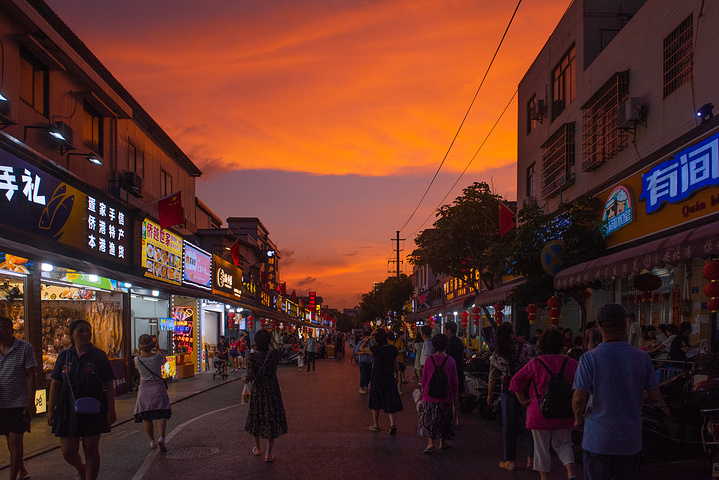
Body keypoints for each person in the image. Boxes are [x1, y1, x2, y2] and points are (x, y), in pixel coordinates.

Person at [573, 303, 661, 479]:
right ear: (624, 326)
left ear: (598, 327)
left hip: (597, 440)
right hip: (630, 442)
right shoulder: (642, 357)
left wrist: (578, 419)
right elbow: (655, 396)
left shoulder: (589, 359)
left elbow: (578, 398)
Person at [47, 320, 116, 480]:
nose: (85, 334)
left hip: (93, 407)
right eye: (80, 331)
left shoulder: (99, 355)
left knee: (91, 448)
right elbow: (56, 383)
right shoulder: (64, 356)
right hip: (67, 408)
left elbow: (109, 383)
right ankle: (81, 468)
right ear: (72, 334)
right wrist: (51, 410)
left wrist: (111, 409)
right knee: (68, 451)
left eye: (88, 331)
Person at [510, 329, 578, 480]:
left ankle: (544, 478)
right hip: (564, 412)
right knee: (564, 444)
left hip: (539, 412)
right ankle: (571, 471)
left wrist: (521, 399)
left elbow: (515, 381)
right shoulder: (571, 363)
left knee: (541, 449)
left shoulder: (536, 363)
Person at [488, 322, 536, 472]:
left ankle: (510, 461)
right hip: (527, 389)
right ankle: (530, 459)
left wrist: (489, 395)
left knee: (509, 426)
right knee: (529, 424)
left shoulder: (497, 353)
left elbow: (492, 376)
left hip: (508, 390)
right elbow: (537, 354)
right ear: (511, 335)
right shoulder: (526, 349)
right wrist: (525, 342)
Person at [243, 329, 288, 463]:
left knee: (257, 417)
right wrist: (273, 341)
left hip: (258, 391)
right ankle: (268, 453)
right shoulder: (273, 355)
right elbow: (280, 350)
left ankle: (258, 449)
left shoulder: (252, 357)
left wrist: (244, 380)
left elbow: (250, 377)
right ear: (269, 341)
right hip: (272, 390)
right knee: (270, 419)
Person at [0, 316, 35, 480]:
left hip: (19, 401)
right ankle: (22, 470)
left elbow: (32, 375)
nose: (1, 331)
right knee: (9, 439)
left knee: (15, 440)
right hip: (2, 402)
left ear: (11, 331)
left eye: (4, 328)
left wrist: (30, 400)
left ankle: (12, 477)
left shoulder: (25, 347)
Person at [419, 333, 458, 453]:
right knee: (444, 419)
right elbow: (454, 380)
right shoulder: (451, 361)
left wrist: (422, 393)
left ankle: (430, 443)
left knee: (430, 419)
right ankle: (442, 443)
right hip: (445, 396)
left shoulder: (429, 360)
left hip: (429, 396)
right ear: (446, 345)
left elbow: (424, 378)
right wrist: (455, 395)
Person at [133, 334, 171, 451]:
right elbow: (164, 360)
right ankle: (162, 438)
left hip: (144, 389)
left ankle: (152, 440)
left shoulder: (137, 359)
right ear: (152, 344)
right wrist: (158, 348)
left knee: (146, 416)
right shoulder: (157, 357)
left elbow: (137, 369)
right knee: (161, 414)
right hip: (158, 388)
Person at [367, 328, 403, 433]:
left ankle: (375, 424)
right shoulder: (392, 349)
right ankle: (392, 424)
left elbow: (361, 348)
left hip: (377, 376)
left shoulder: (375, 349)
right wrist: (396, 375)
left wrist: (369, 337)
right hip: (388, 375)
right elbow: (396, 364)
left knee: (375, 399)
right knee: (389, 398)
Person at [443, 321, 465, 425]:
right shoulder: (459, 342)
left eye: (445, 329)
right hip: (459, 371)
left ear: (449, 331)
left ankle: (450, 419)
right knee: (457, 397)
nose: (444, 331)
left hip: (449, 373)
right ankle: (457, 420)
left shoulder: (447, 343)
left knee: (449, 397)